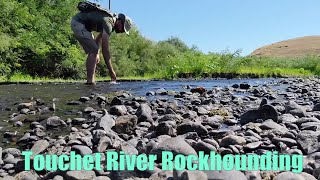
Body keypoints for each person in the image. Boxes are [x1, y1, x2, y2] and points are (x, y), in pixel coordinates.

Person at [71, 5, 132, 85]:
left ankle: (91, 80)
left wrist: (98, 54)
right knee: (93, 50)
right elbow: (105, 50)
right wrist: (111, 71)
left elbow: (98, 39)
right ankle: (90, 82)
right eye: (123, 29)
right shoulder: (109, 23)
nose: (121, 32)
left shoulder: (111, 24)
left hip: (83, 26)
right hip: (78, 23)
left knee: (94, 50)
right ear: (120, 22)